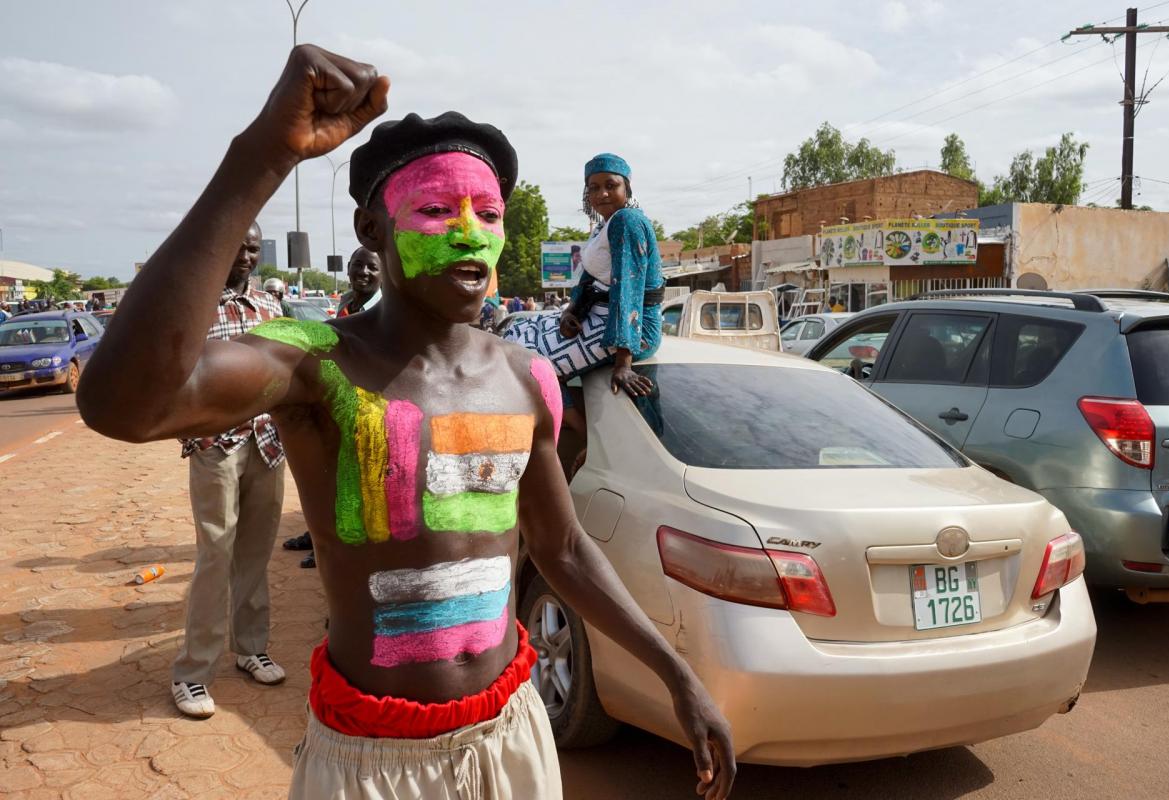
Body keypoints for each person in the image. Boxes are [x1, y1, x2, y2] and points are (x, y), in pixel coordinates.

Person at [78, 45, 734, 800]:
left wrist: (677, 674)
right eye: (435, 210)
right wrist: (262, 154)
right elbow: (123, 404)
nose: (469, 234)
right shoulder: (317, 365)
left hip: (510, 740)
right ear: (371, 229)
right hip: (375, 765)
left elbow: (563, 549)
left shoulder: (526, 379)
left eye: (487, 215)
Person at [172, 220, 290, 718]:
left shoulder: (269, 306)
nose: (245, 256)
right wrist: (190, 432)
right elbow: (173, 374)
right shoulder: (195, 305)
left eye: (253, 248)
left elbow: (289, 368)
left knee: (256, 554)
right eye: (237, 246)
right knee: (215, 555)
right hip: (217, 445)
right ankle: (193, 673)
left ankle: (251, 648)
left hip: (267, 445)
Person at [502, 153, 664, 434]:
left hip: (634, 330)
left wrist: (623, 361)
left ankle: (585, 437)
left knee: (527, 365)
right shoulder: (605, 224)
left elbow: (629, 287)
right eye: (593, 187)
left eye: (610, 185)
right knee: (513, 335)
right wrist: (571, 311)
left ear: (626, 187)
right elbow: (588, 276)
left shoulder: (628, 221)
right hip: (599, 316)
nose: (602, 193)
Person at [336, 247, 382, 316]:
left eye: (372, 267)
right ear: (348, 268)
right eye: (358, 265)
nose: (363, 272)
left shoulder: (387, 313)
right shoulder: (344, 303)